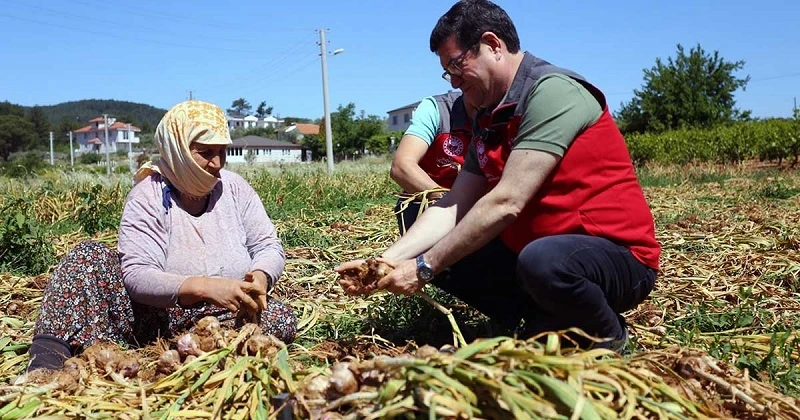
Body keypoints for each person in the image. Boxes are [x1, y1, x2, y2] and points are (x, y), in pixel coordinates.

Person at [337, 0, 660, 352]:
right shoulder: (490, 114)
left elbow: (507, 202)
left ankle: (607, 335)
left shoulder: (553, 93)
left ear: (492, 45)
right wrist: (384, 262)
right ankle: (535, 320)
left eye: (457, 65)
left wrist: (424, 268)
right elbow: (454, 205)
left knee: (543, 260)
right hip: (535, 253)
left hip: (615, 258)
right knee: (422, 212)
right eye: (448, 72)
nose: (455, 81)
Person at [26, 100, 297, 373]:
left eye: (222, 151)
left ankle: (194, 348)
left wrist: (261, 274)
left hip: (224, 313)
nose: (217, 163)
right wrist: (205, 287)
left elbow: (267, 244)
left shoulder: (235, 188)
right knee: (86, 256)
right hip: (157, 314)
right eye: (205, 153)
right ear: (178, 151)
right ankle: (46, 361)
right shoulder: (149, 195)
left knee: (280, 318)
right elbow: (137, 274)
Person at [390, 91, 477, 234]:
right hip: (434, 203)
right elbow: (401, 166)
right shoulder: (437, 109)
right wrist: (449, 201)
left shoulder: (507, 110)